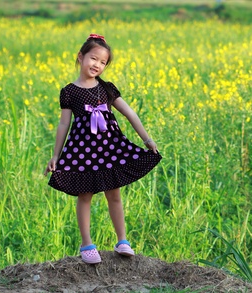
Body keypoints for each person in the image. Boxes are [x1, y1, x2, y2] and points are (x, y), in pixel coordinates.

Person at [44, 33, 162, 264]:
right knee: (84, 195)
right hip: (83, 151)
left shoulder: (106, 88)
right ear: (80, 57)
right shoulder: (69, 91)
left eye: (103, 62)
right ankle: (87, 244)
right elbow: (63, 124)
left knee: (114, 194)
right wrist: (55, 155)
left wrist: (147, 140)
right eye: (93, 59)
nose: (97, 65)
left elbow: (130, 113)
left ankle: (123, 241)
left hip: (110, 149)